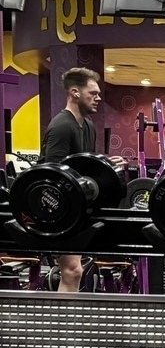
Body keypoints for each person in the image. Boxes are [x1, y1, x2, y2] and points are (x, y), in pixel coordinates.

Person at [38, 65, 104, 294]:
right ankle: (61, 325)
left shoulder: (88, 126)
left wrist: (106, 163)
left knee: (75, 270)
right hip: (55, 207)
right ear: (75, 92)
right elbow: (52, 173)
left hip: (75, 206)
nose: (98, 98)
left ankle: (66, 321)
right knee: (72, 270)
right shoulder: (61, 126)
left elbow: (83, 166)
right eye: (93, 93)